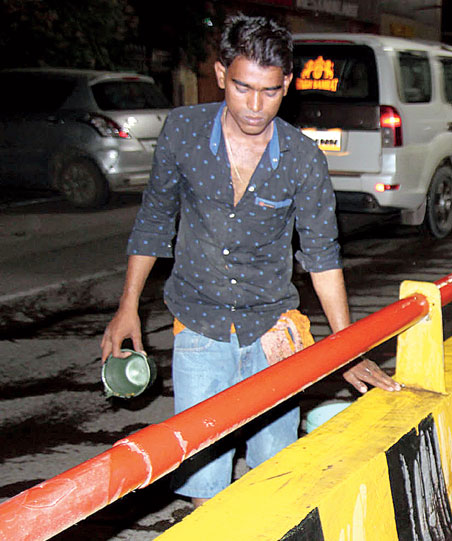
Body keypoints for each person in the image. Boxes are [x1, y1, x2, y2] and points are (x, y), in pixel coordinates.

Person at [99, 15, 400, 507]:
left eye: (270, 91)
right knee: (204, 485)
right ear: (221, 74)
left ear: (288, 85)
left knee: (275, 478)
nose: (256, 106)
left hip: (270, 332)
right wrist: (128, 304)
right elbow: (154, 221)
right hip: (198, 326)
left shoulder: (303, 158)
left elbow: (322, 257)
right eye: (242, 88)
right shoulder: (182, 134)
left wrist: (344, 347)